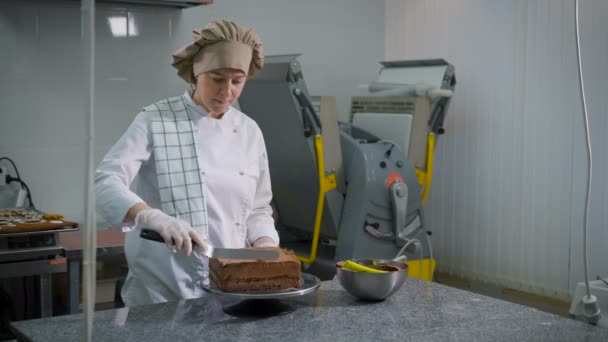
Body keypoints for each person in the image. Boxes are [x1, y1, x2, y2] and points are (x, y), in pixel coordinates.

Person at [95, 19, 279, 306]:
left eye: (237, 81)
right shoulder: (155, 119)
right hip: (161, 287)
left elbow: (257, 208)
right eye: (217, 78)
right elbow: (105, 181)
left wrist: (265, 243)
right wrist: (151, 217)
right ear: (196, 71)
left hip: (229, 282)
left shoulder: (249, 130)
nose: (227, 91)